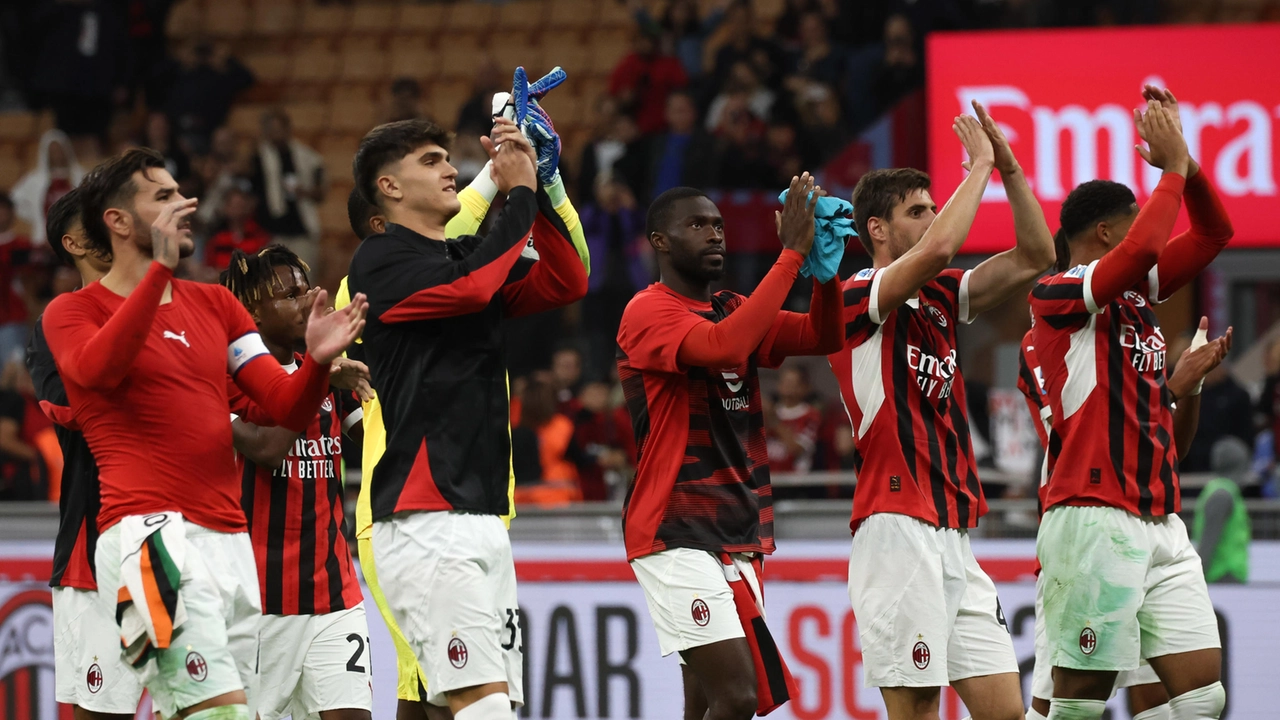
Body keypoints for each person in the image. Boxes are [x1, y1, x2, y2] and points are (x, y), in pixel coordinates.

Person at [41, 147, 368, 720]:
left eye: (180, 190)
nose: (185, 204)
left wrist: (315, 364)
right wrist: (160, 273)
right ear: (117, 221)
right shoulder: (73, 313)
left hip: (230, 545)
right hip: (150, 538)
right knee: (218, 711)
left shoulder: (215, 305)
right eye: (163, 196)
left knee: (196, 709)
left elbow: (279, 406)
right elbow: (96, 371)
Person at [347, 117, 587, 719]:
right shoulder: (379, 261)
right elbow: (476, 287)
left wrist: (549, 184)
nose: (451, 168)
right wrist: (519, 191)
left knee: (475, 709)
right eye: (431, 161)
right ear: (390, 188)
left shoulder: (460, 257)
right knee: (482, 710)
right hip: (428, 519)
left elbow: (568, 279)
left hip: (480, 517)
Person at [828, 104, 1055, 720]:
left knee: (1006, 711)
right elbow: (937, 249)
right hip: (896, 524)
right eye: (917, 211)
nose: (932, 218)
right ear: (878, 229)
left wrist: (1007, 169)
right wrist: (976, 165)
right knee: (917, 711)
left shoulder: (941, 297)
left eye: (932, 207)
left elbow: (1037, 254)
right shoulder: (857, 294)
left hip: (953, 533)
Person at [1029, 87, 1233, 720]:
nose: (1151, 222)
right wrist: (1171, 168)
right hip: (1094, 517)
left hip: (1159, 516)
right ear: (1106, 232)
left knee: (1203, 698)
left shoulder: (1135, 296)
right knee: (1078, 708)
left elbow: (1215, 231)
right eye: (1139, 215)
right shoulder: (1056, 295)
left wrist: (1190, 167)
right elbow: (1145, 249)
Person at [617, 176, 843, 720]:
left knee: (705, 701)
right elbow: (726, 347)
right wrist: (791, 253)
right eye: (696, 225)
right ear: (660, 241)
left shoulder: (732, 305)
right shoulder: (647, 311)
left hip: (737, 530)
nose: (714, 234)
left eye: (718, 224)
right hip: (675, 529)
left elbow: (822, 337)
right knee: (738, 696)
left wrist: (825, 276)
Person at [1018, 312, 1229, 720]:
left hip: (1152, 518)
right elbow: (1090, 436)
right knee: (1064, 710)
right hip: (1090, 532)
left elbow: (1168, 449)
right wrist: (1173, 387)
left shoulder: (1142, 331)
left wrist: (1193, 385)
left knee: (1182, 700)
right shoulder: (1050, 331)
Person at [220, 244, 373, 720]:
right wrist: (321, 374)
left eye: (305, 288)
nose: (306, 299)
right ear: (253, 313)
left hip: (334, 597)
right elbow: (267, 449)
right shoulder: (226, 379)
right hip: (258, 607)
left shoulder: (330, 370)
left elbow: (374, 445)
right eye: (289, 294)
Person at [28, 187, 146, 719]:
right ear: (73, 242)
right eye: (97, 223)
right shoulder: (56, 322)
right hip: (93, 541)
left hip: (179, 538)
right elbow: (65, 407)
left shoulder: (166, 306)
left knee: (193, 702)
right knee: (100, 709)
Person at [251, 109, 324, 270]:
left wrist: (304, 192)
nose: (276, 133)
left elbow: (320, 192)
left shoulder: (307, 157)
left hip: (301, 230)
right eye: (271, 128)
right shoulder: (258, 157)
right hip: (269, 232)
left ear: (288, 128)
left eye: (279, 128)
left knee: (303, 280)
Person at [1193, 437, 1253, 584]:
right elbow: (1209, 541)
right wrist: (1196, 579)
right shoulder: (1223, 495)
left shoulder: (1220, 490)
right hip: (1222, 575)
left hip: (1223, 575)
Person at [12, 128, 86, 244]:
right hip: (44, 239)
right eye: (53, 151)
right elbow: (14, 200)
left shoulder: (81, 175)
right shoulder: (35, 179)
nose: (56, 154)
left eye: (59, 150)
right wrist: (35, 216)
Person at [204, 179, 270, 269]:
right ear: (225, 208)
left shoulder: (259, 236)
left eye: (240, 205)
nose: (237, 210)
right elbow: (209, 268)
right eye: (233, 206)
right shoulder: (216, 239)